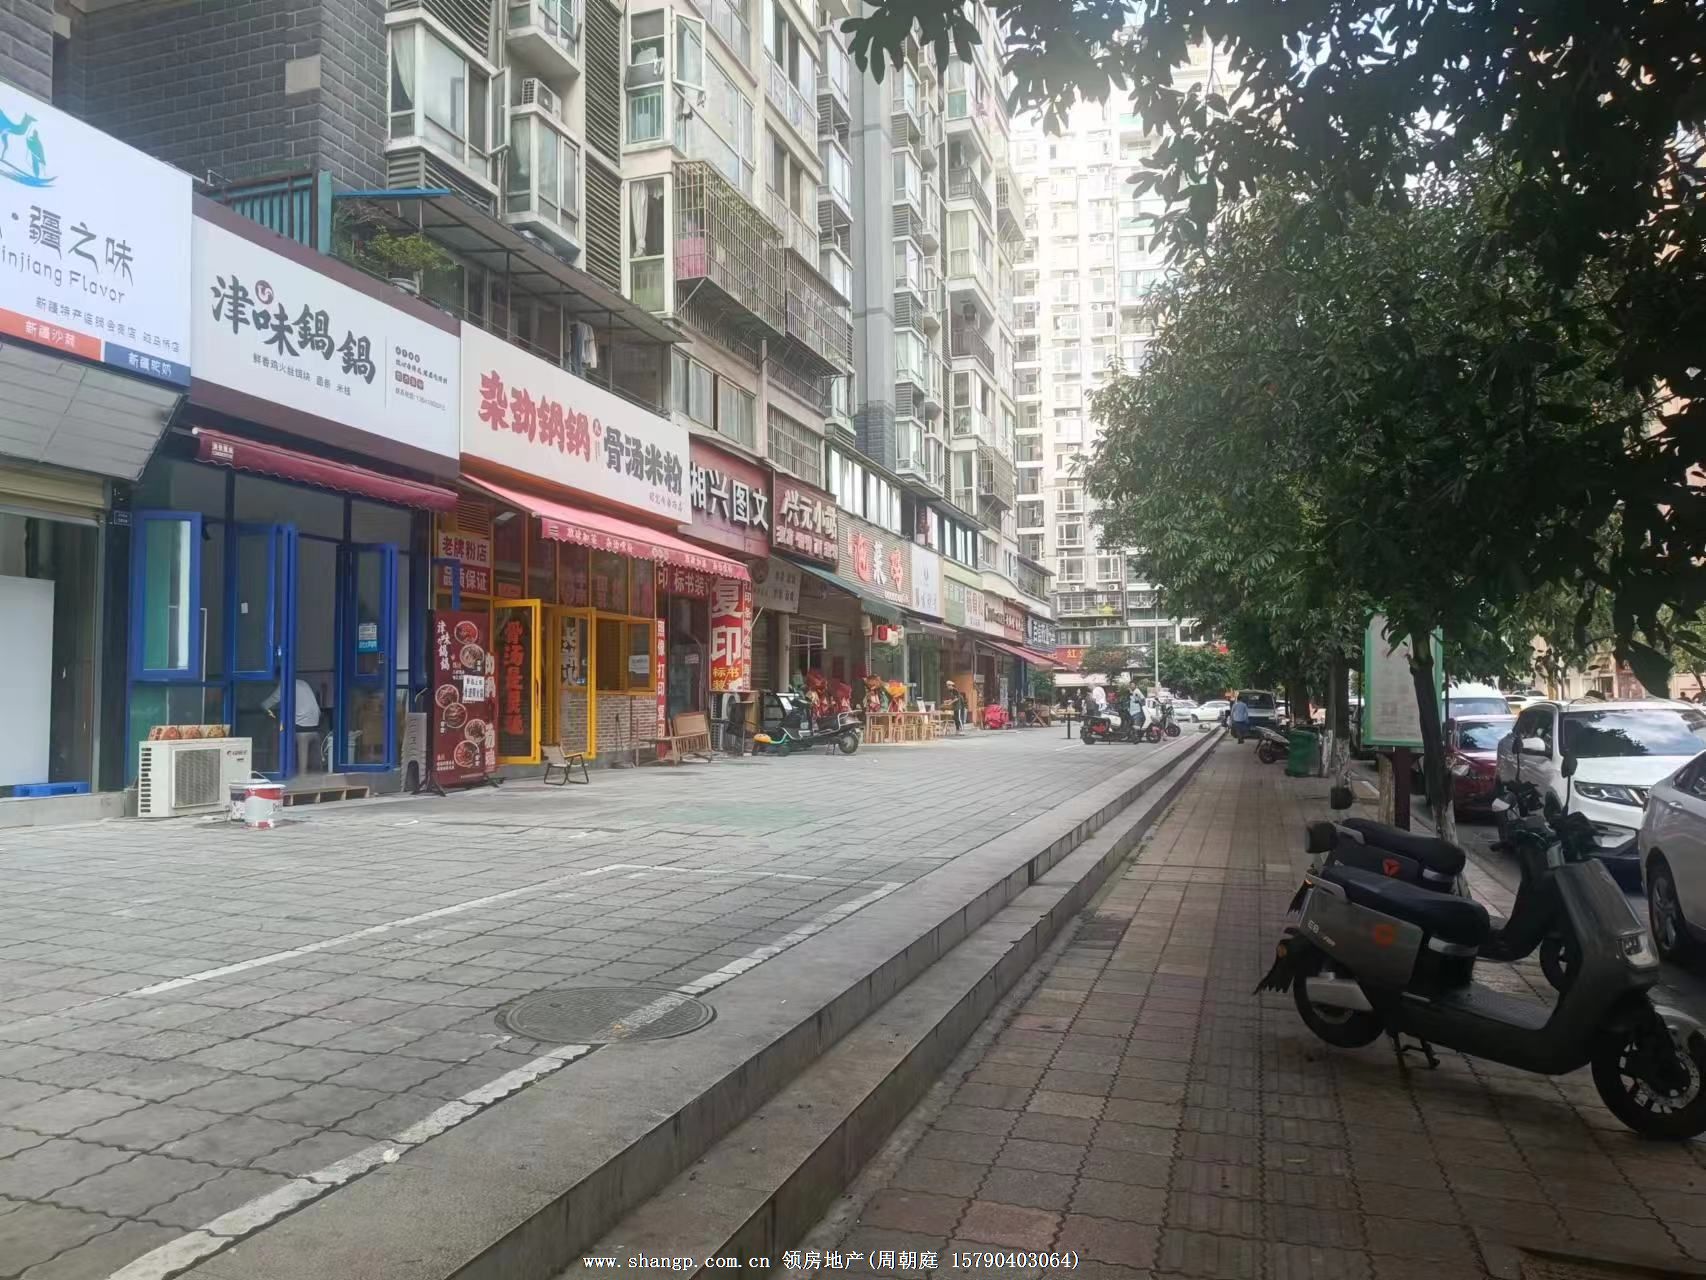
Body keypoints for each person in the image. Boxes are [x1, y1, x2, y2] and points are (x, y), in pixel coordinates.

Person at [264, 678, 323, 774]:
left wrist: (260, 706)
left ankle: (276, 769)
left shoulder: (285, 684)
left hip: (301, 728)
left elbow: (268, 704)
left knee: (275, 736)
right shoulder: (304, 682)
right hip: (315, 725)